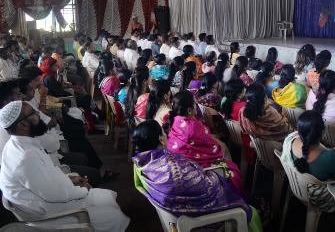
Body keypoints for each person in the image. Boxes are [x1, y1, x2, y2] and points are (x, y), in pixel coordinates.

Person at [0, 101, 130, 232]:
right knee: (113, 216)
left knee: (107, 198)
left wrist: (69, 179)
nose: (38, 114)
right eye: (33, 113)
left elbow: (46, 176)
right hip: (50, 213)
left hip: (48, 199)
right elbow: (53, 194)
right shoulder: (26, 157)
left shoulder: (19, 144)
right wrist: (83, 189)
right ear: (22, 125)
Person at [132, 120, 262, 232]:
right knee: (249, 211)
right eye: (164, 132)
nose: (167, 134)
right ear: (161, 139)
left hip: (176, 216)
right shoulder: (173, 171)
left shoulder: (144, 165)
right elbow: (207, 189)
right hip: (199, 223)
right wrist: (211, 175)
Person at [166, 91, 243, 194]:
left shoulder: (176, 120)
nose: (196, 105)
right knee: (233, 171)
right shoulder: (193, 126)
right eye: (194, 103)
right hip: (196, 166)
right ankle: (231, 198)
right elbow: (212, 148)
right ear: (189, 110)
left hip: (181, 163)